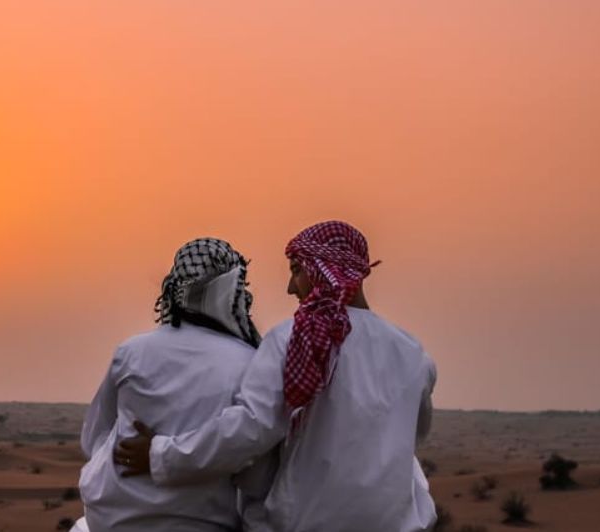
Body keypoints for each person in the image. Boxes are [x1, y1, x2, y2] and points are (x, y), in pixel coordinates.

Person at [115, 221, 437, 532]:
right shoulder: (412, 353)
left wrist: (162, 456)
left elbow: (250, 429)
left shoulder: (294, 338)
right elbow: (413, 434)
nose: (290, 287)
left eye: (296, 270)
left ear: (324, 268)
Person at [77, 238, 272, 532]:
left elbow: (94, 437)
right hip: (205, 521)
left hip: (113, 517)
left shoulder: (131, 351)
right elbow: (255, 462)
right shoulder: (250, 363)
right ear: (233, 293)